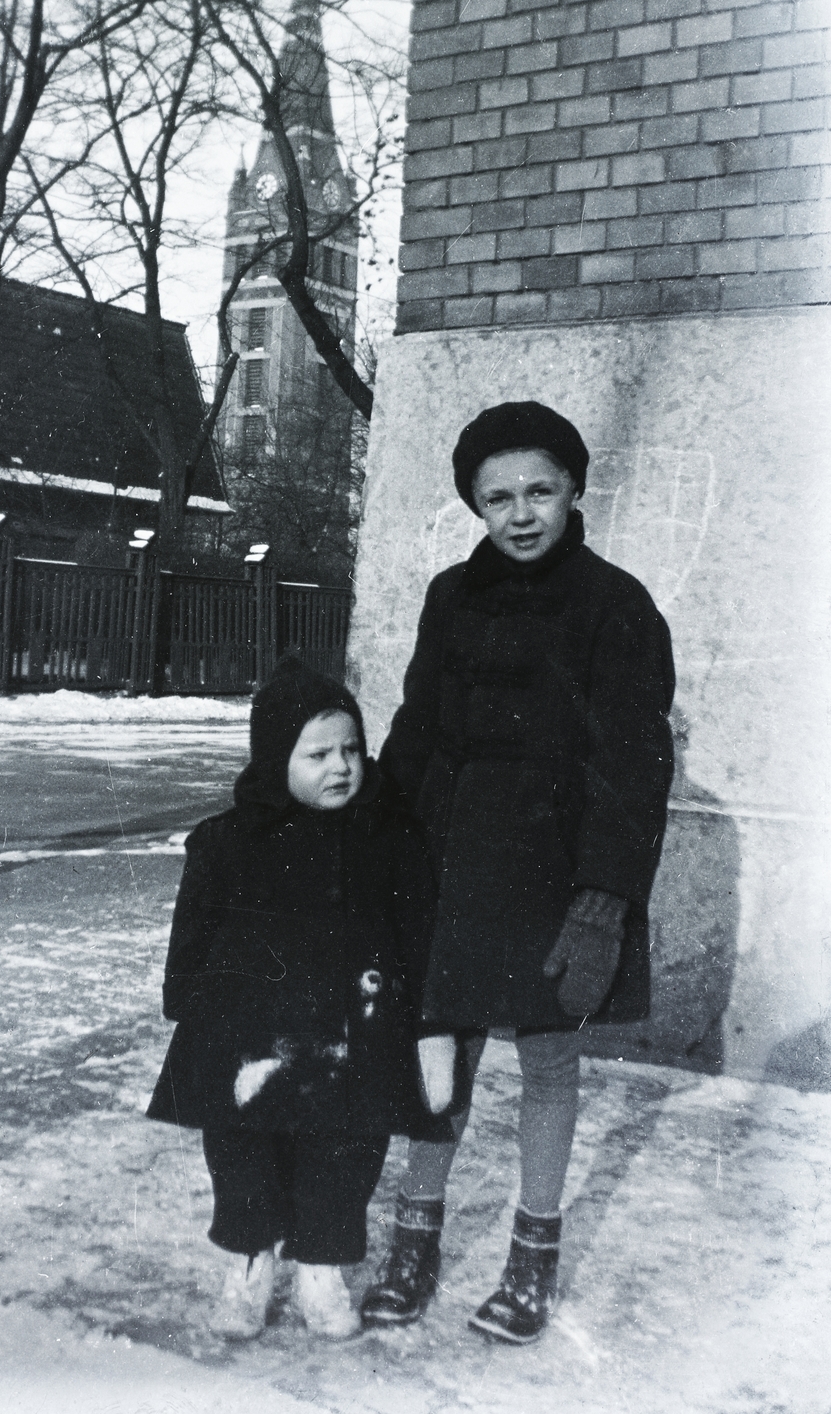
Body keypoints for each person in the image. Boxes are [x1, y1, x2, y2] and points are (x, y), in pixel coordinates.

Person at [360, 401, 675, 1345]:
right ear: (474, 505)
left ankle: (530, 1257)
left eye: (539, 489)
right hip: (446, 867)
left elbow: (632, 765)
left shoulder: (616, 605)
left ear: (575, 488)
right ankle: (414, 1244)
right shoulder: (451, 598)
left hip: (554, 876)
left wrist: (602, 902)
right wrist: (375, 840)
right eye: (496, 497)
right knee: (436, 1057)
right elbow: (416, 729)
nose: (520, 513)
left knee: (546, 1063)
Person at [146, 658, 443, 1341]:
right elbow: (192, 934)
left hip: (354, 1039)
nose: (339, 767)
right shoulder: (227, 842)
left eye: (349, 750)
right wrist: (191, 1014)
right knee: (243, 1155)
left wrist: (427, 1022)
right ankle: (250, 1261)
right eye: (316, 754)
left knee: (344, 1158)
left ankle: (322, 1265)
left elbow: (415, 936)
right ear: (275, 756)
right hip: (248, 1044)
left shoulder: (389, 842)